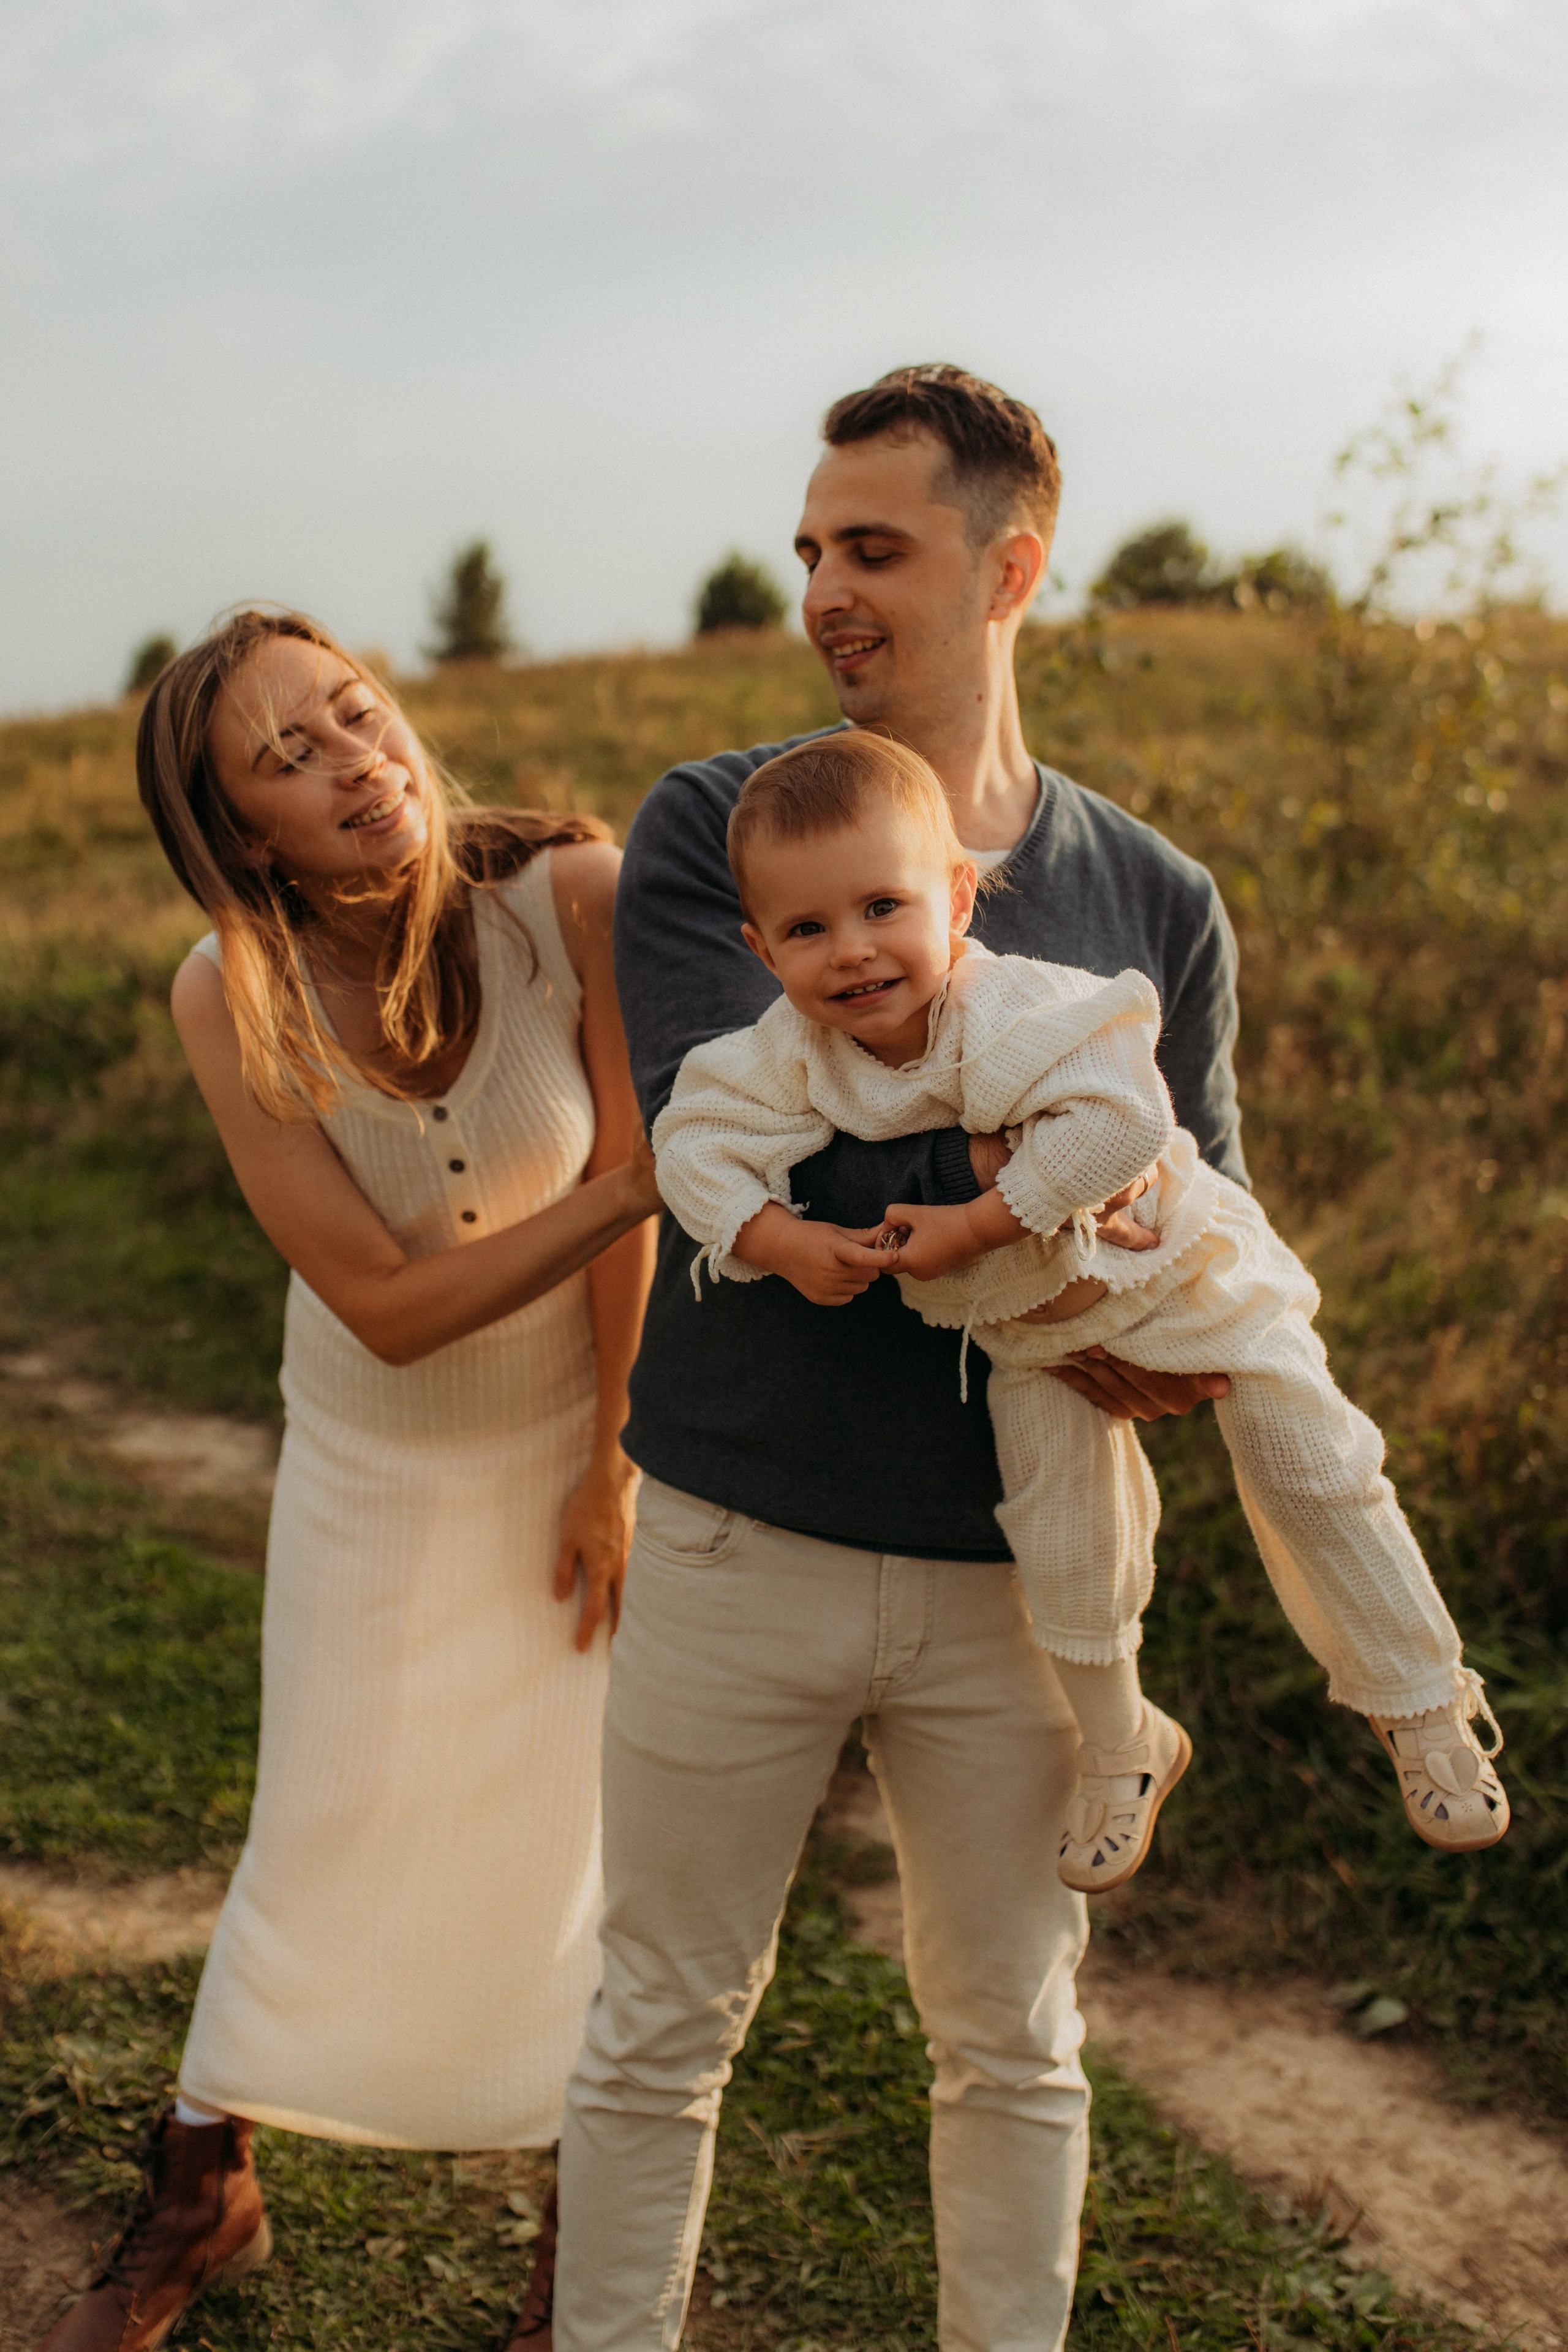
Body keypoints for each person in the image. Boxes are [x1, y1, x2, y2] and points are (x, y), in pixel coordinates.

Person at [552, 363, 1244, 2352]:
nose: (824, 593)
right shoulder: (719, 826)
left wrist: (1152, 1279)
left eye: (873, 548)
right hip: (731, 1539)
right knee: (658, 2024)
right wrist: (1061, 1193)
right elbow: (739, 1149)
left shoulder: (1158, 899)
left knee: (1015, 2037)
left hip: (1016, 1586)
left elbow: (1207, 1227)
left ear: (1009, 568)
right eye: (809, 552)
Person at [39, 609, 658, 2352]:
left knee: (577, 1848)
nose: (355, 764)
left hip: (569, 1438)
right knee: (321, 1819)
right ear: (241, 833)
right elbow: (386, 1307)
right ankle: (203, 2190)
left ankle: (577, 2266)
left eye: (355, 714)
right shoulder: (226, 991)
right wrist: (626, 1187)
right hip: (374, 1463)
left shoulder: (574, 900)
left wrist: (612, 1461)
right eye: (286, 758)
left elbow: (631, 1221)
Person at [652, 731, 1507, 1899]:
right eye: (807, 929)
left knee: (1308, 1456)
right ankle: (1123, 1742)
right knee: (1061, 1534)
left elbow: (1128, 1122)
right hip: (1029, 1330)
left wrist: (975, 1222)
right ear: (760, 950)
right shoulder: (792, 1053)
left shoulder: (1011, 1006)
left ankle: (1421, 1700)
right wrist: (780, 1241)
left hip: (1180, 1270)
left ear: (958, 899)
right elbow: (691, 1141)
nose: (850, 950)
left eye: (883, 907)